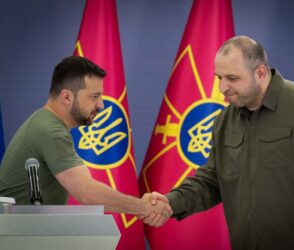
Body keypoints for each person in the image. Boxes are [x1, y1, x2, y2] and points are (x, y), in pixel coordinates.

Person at [142, 36, 294, 250]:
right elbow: (212, 181)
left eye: (232, 78)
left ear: (260, 73)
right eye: (219, 77)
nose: (223, 87)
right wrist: (171, 202)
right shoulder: (224, 122)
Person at [0, 56, 171, 221]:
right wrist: (143, 206)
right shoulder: (50, 130)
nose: (101, 105)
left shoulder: (46, 122)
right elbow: (87, 192)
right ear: (66, 97)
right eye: (94, 96)